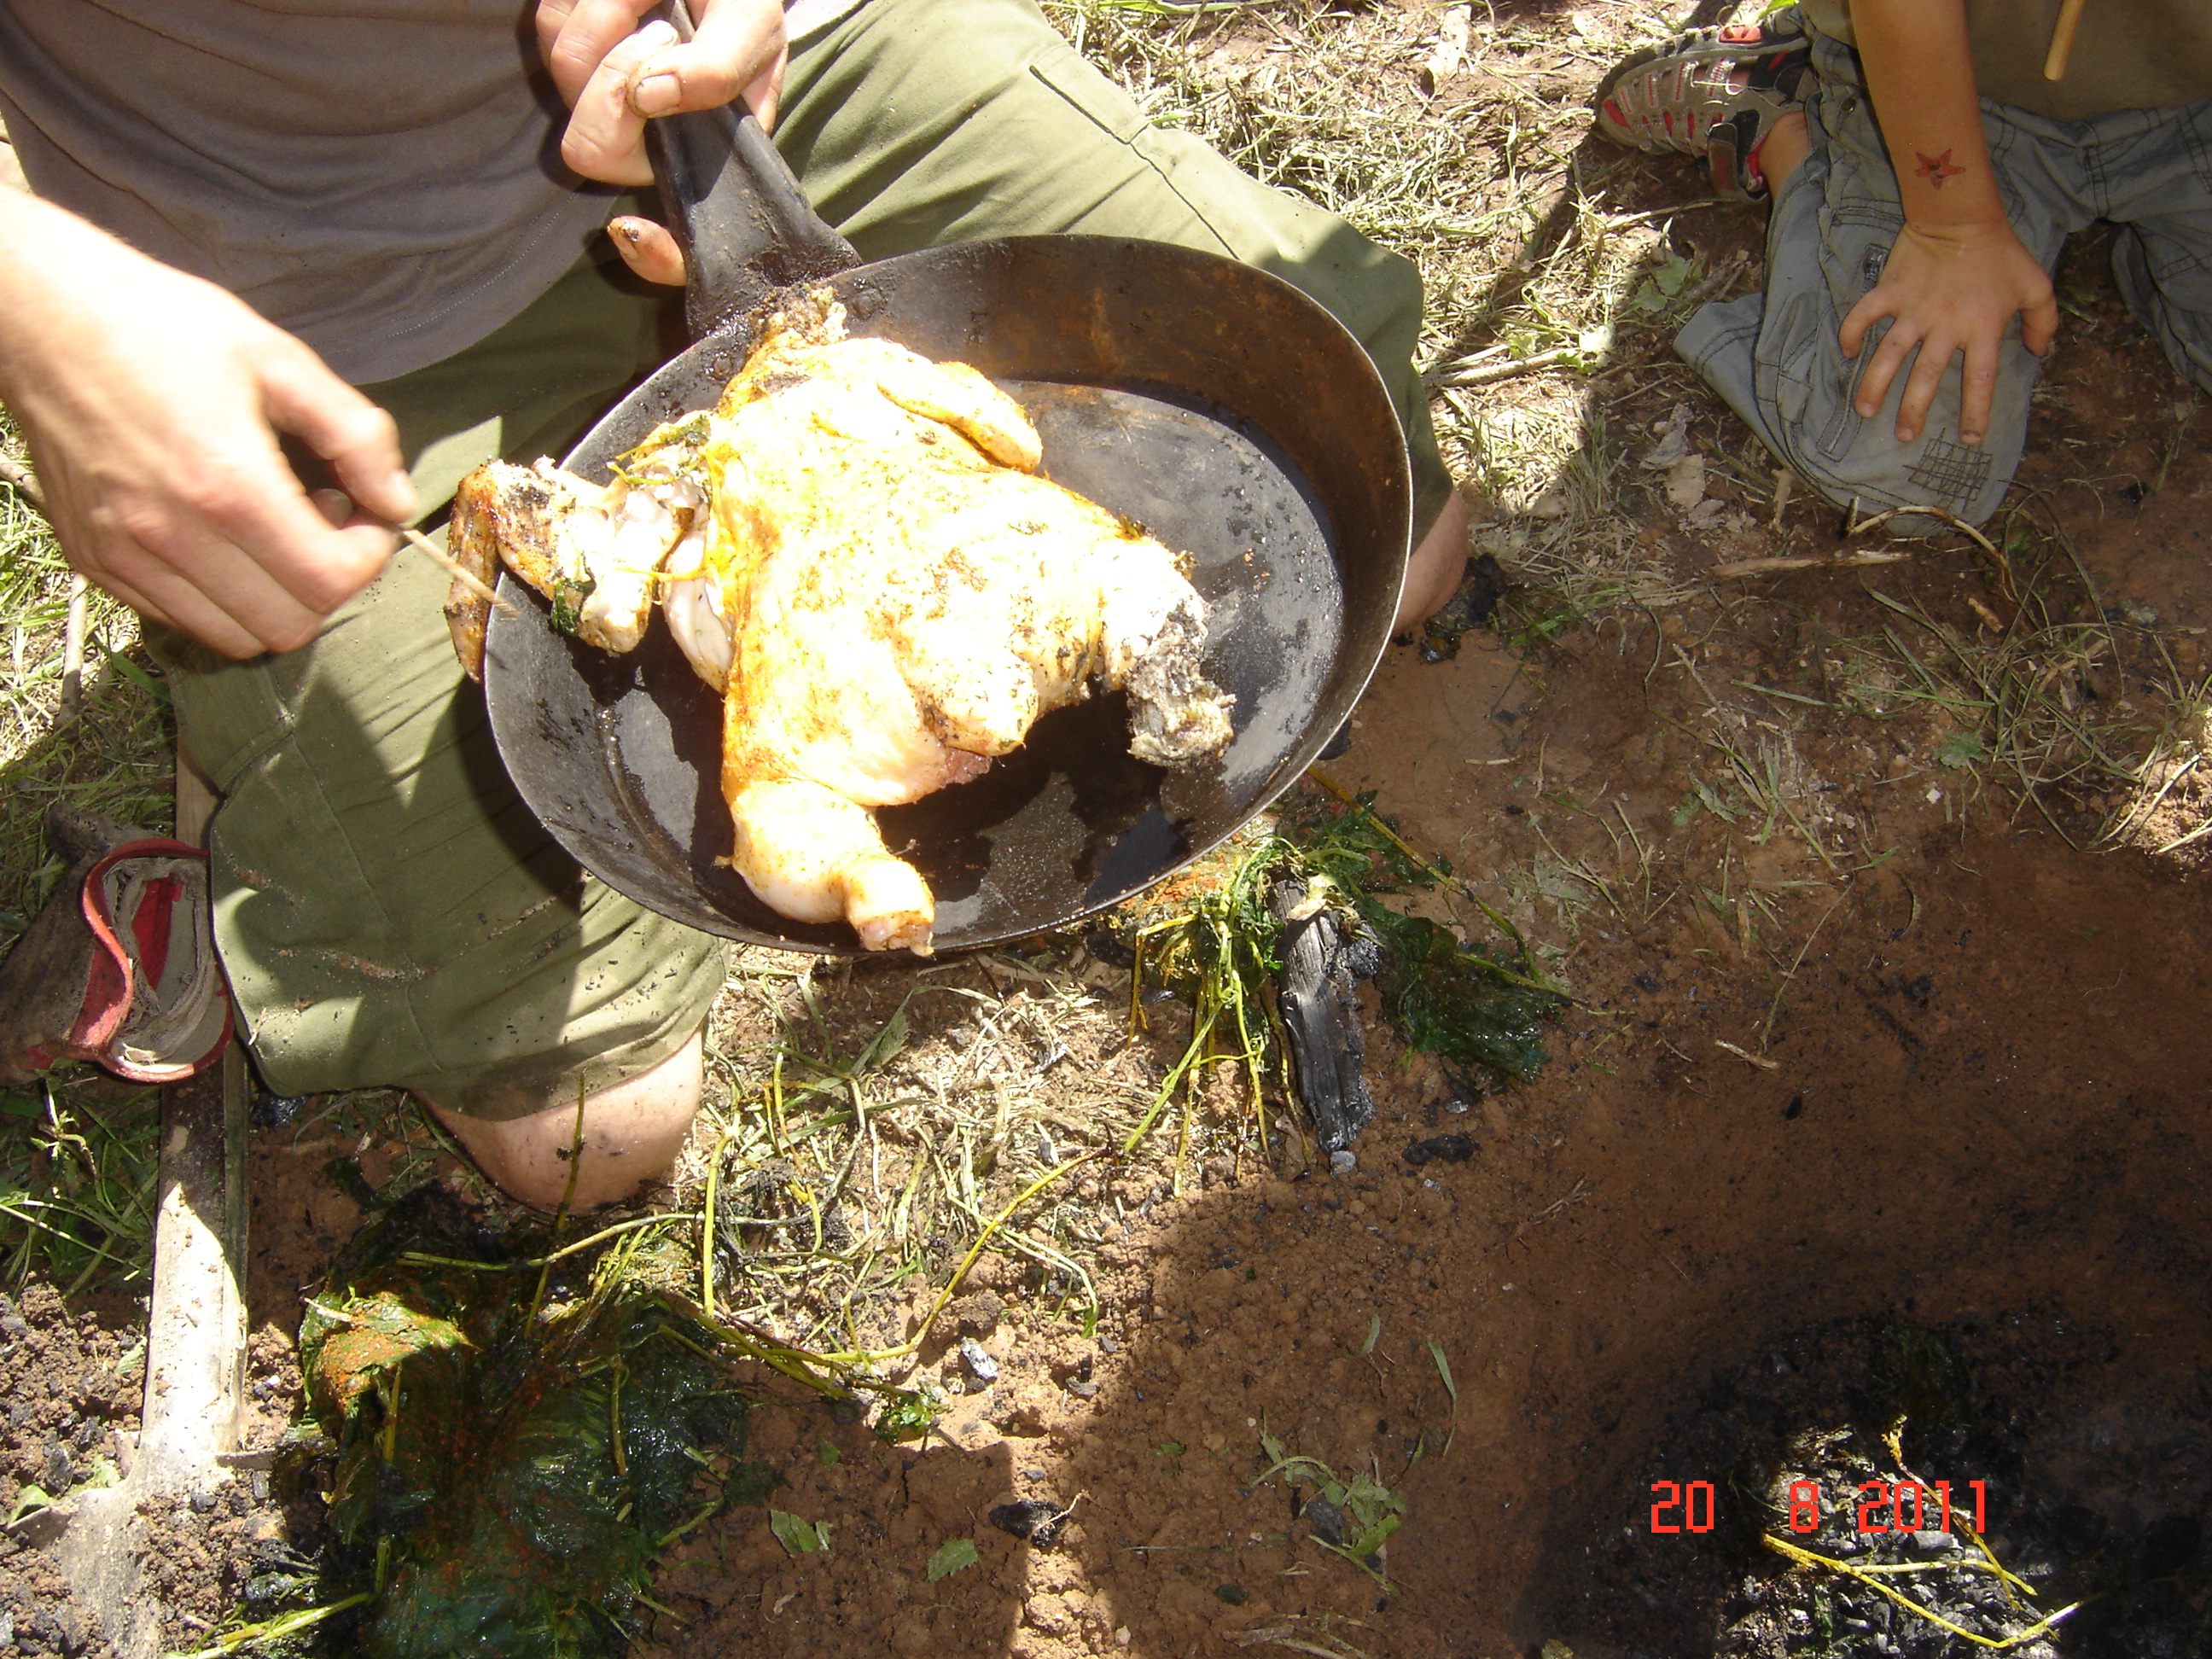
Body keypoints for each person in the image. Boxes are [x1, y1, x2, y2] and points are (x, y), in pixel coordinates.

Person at [0, 0, 1475, 1209]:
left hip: (765, 87)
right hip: (290, 300)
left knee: (1401, 549)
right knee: (595, 1140)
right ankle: (250, 780)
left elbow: (1008, 438)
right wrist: (38, 308)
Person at [1592, 0, 2212, 530]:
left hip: (2193, 100)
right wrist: (1954, 229)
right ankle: (1786, 108)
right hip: (1957, 87)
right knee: (1899, 475)